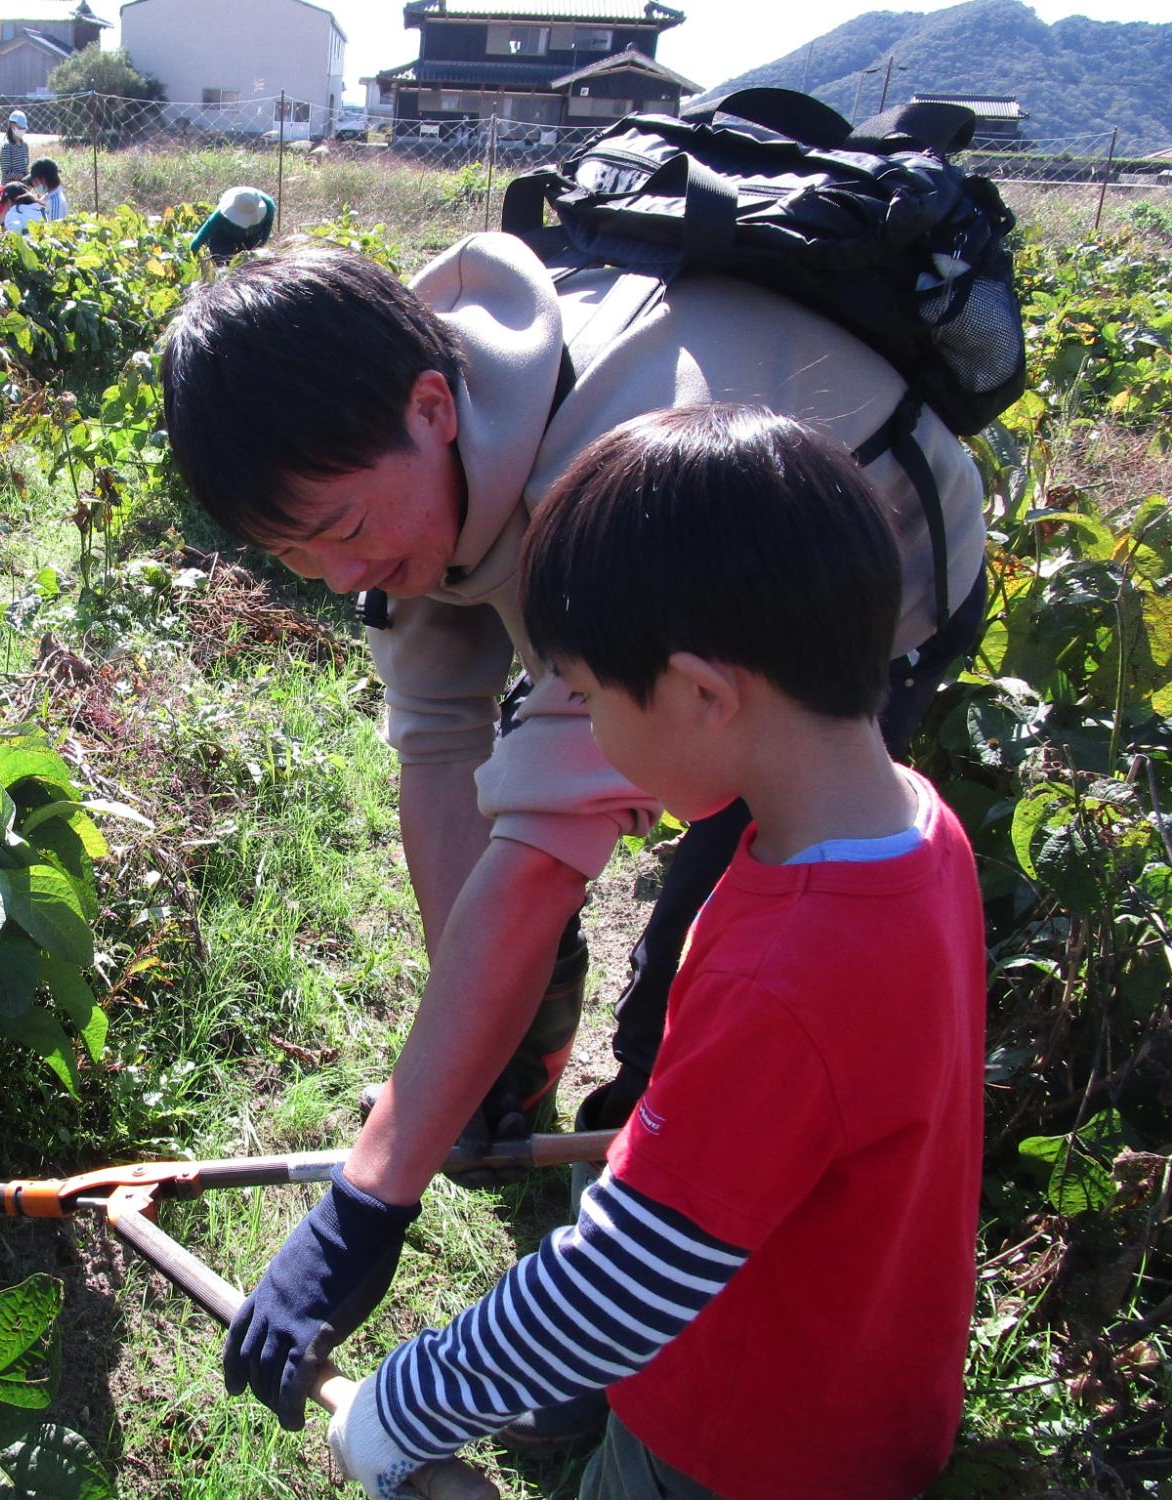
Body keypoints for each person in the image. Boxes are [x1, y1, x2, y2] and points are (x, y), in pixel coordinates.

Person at [159, 236, 987, 1446]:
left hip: (874, 563)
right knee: (631, 956)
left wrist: (369, 1194)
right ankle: (618, 1198)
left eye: (341, 528)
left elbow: (542, 854)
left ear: (434, 409)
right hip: (680, 625)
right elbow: (440, 752)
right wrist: (480, 1053)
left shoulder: (621, 483)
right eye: (299, 557)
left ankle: (647, 1305)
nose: (342, 577)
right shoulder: (402, 461)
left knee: (712, 991)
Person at [324, 404, 986, 1499]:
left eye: (580, 696)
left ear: (700, 694)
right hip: (869, 1393)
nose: (579, 726)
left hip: (737, 1441)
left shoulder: (787, 973)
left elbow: (615, 1291)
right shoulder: (915, 829)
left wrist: (404, 1407)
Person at [189, 186, 274, 263]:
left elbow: (263, 238)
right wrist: (189, 256)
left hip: (252, 236)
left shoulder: (269, 207)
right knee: (221, 259)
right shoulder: (220, 215)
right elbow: (201, 237)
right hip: (225, 235)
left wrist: (255, 252)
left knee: (248, 263)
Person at [0, 108, 31, 187]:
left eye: (24, 128)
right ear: (11, 126)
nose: (23, 130)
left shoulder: (25, 146)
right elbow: (6, 172)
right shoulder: (7, 146)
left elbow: (25, 167)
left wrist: (29, 175)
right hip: (10, 189)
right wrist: (21, 176)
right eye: (20, 127)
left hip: (23, 187)